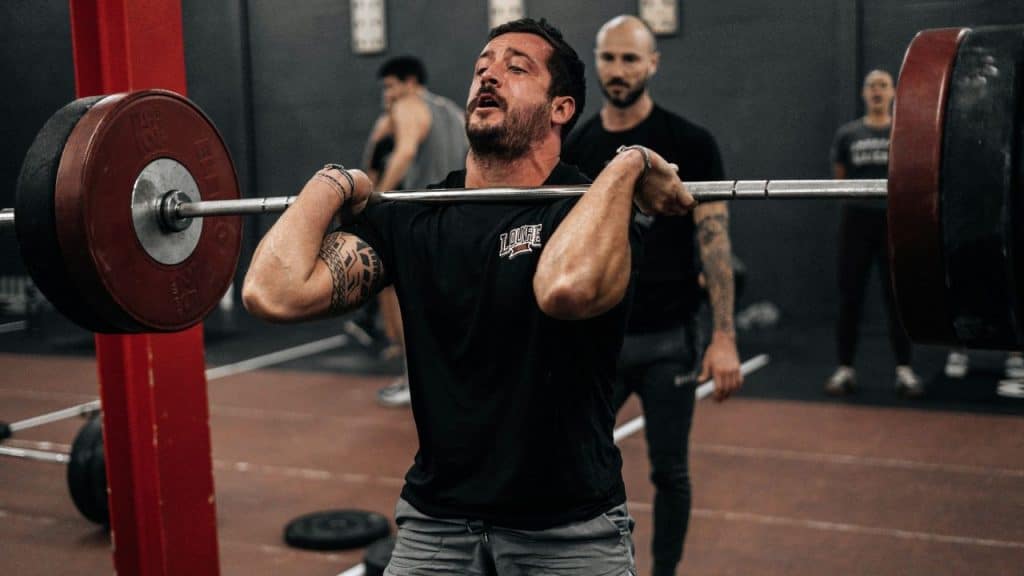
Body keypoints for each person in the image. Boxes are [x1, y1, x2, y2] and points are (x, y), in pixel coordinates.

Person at [243, 18, 696, 575]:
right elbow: (272, 292)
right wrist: (334, 182)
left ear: (561, 108)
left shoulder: (590, 209)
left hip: (569, 534)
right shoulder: (414, 217)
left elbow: (567, 288)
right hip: (436, 527)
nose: (489, 75)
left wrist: (629, 164)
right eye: (482, 67)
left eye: (516, 68)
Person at [562, 15, 741, 576]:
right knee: (571, 463)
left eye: (630, 59)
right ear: (596, 61)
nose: (618, 70)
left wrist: (725, 337)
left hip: (669, 339)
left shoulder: (691, 142)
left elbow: (715, 241)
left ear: (653, 64)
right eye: (609, 58)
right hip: (600, 340)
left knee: (670, 471)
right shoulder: (576, 146)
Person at [355, 56, 469, 406]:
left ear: (409, 83)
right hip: (461, 217)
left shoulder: (408, 106)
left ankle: (413, 379)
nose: (388, 94)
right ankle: (450, 381)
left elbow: (403, 153)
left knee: (397, 296)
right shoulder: (454, 112)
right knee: (447, 306)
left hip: (422, 217)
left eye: (391, 86)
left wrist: (375, 200)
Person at [825, 70, 924, 398]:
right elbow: (839, 181)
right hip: (856, 223)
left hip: (892, 223)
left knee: (897, 298)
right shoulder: (848, 134)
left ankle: (904, 370)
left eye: (883, 85)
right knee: (849, 296)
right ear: (864, 94)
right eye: (871, 86)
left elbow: (911, 176)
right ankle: (845, 369)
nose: (877, 90)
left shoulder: (903, 132)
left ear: (893, 92)